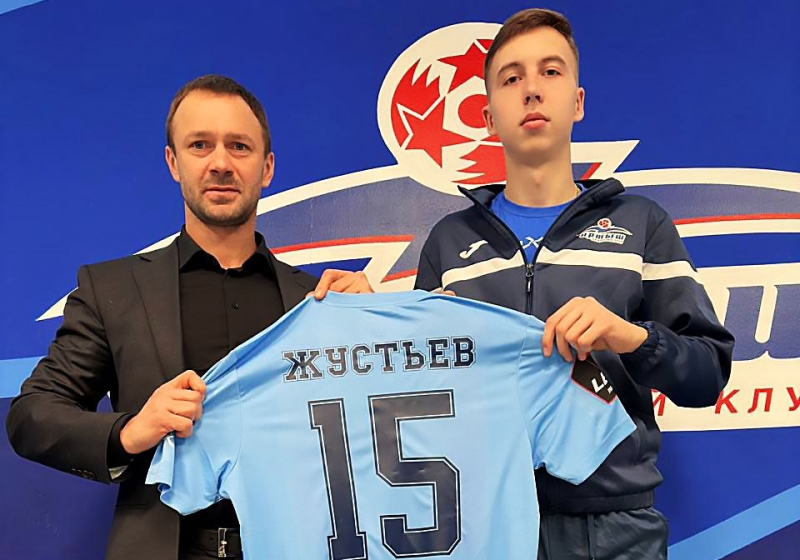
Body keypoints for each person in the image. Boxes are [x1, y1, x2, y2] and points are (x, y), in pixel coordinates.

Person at [5, 74, 371, 560]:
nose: (220, 163)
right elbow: (31, 416)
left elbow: (372, 436)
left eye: (239, 146)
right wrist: (130, 431)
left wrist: (371, 329)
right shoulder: (113, 289)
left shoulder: (320, 302)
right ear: (173, 162)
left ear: (266, 168)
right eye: (200, 145)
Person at [413, 9, 734, 560]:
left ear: (578, 102)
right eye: (511, 78)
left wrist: (629, 337)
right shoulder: (448, 242)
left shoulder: (641, 224)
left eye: (551, 71)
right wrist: (365, 323)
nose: (532, 89)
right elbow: (420, 388)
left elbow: (708, 375)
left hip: (613, 530)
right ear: (488, 116)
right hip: (484, 528)